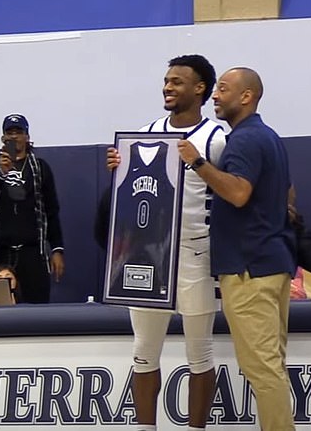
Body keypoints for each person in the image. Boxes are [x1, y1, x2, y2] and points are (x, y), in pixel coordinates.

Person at [106, 54, 226, 431]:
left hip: (195, 251)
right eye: (166, 80)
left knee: (200, 354)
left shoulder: (218, 138)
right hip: (148, 254)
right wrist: (119, 168)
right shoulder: (145, 132)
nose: (167, 87)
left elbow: (232, 193)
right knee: (143, 352)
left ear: (199, 88)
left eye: (177, 81)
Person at [177, 67, 296, 431]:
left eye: (223, 90)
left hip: (249, 269)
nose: (214, 95)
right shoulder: (269, 137)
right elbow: (289, 194)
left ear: (246, 96)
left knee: (261, 369)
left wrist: (197, 162)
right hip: (272, 262)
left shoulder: (243, 140)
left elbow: (239, 193)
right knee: (271, 365)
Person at [0, 114, 65, 303]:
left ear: (27, 137)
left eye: (18, 132)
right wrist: (0, 175)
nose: (14, 137)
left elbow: (51, 210)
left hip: (31, 251)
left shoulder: (39, 168)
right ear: (3, 138)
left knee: (36, 304)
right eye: (9, 133)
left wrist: (57, 249)